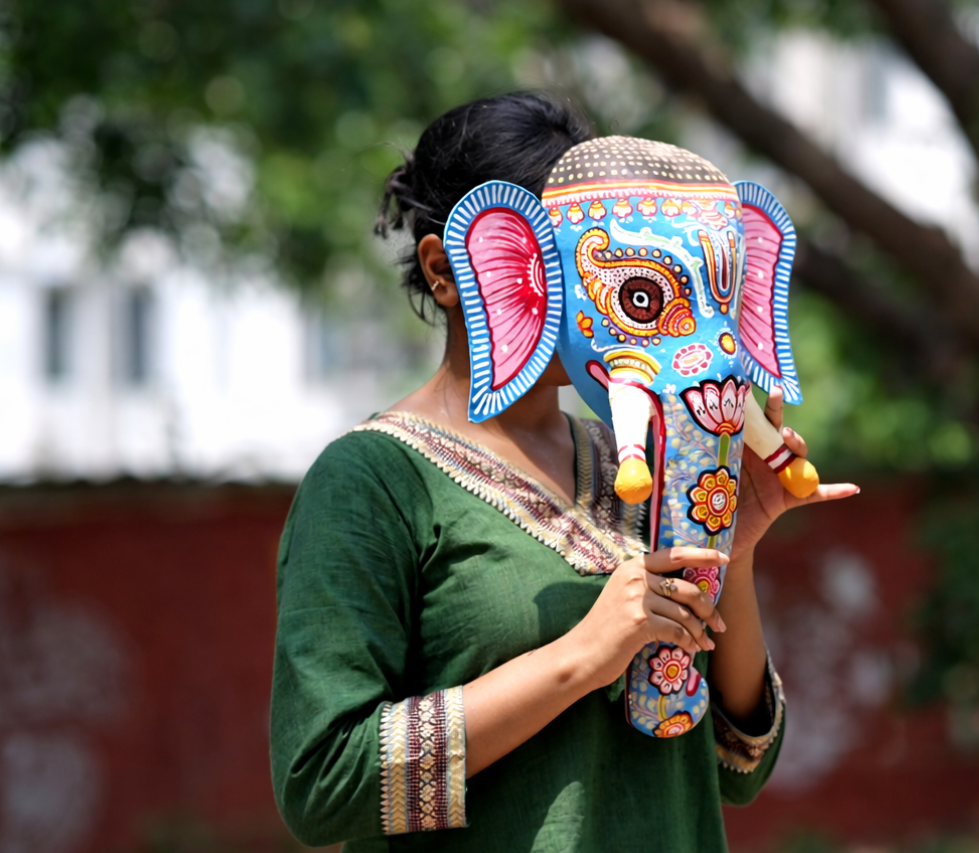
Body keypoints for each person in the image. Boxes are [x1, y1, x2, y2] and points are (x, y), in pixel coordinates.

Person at [269, 92, 857, 852]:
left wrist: (730, 550)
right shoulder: (371, 482)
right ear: (449, 271)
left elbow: (736, 762)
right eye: (563, 262)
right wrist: (584, 655)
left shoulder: (637, 454)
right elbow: (322, 783)